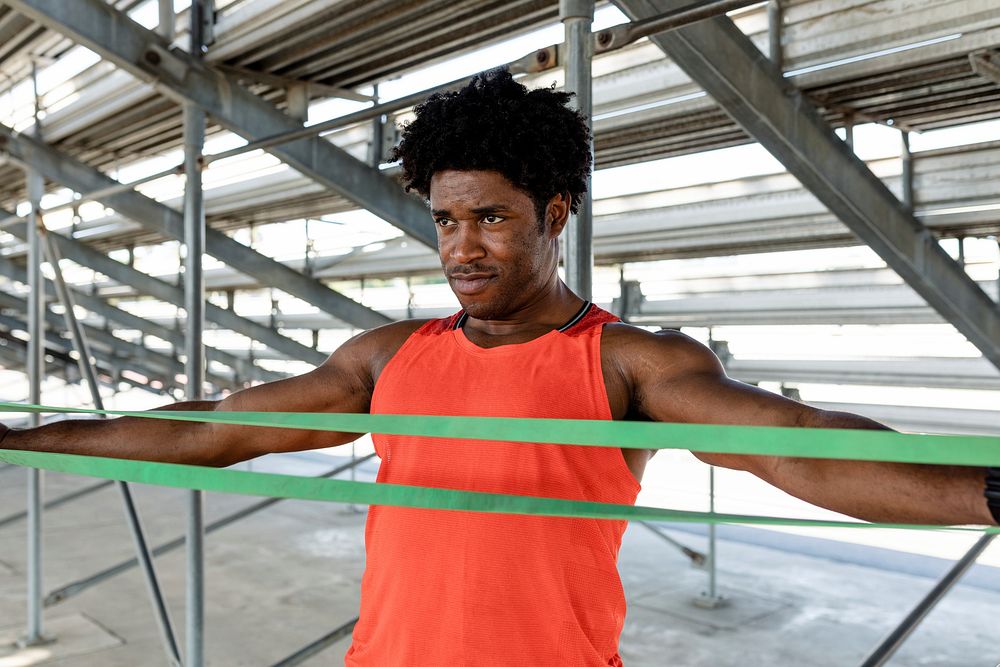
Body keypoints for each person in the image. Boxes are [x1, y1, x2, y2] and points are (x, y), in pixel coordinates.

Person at [1, 70, 996, 666]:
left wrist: (988, 491)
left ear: (554, 214)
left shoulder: (626, 364)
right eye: (445, 219)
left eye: (492, 218)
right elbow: (213, 425)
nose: (463, 247)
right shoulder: (389, 358)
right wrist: (17, 439)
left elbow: (800, 446)